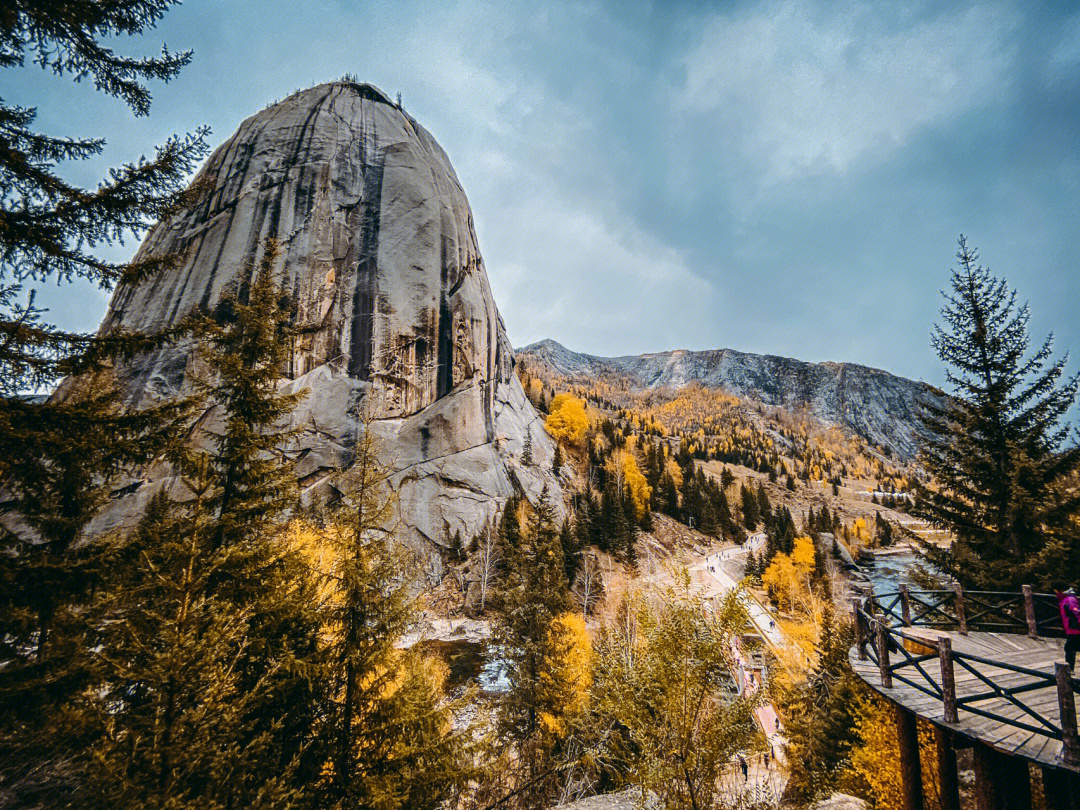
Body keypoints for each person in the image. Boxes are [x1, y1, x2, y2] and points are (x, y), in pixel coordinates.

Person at [1059, 587, 1080, 670]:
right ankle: (1070, 669)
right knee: (1071, 648)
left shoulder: (1069, 600)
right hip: (1072, 627)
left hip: (1074, 628)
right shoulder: (1069, 599)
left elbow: (1076, 613)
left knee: (1069, 648)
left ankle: (1070, 670)